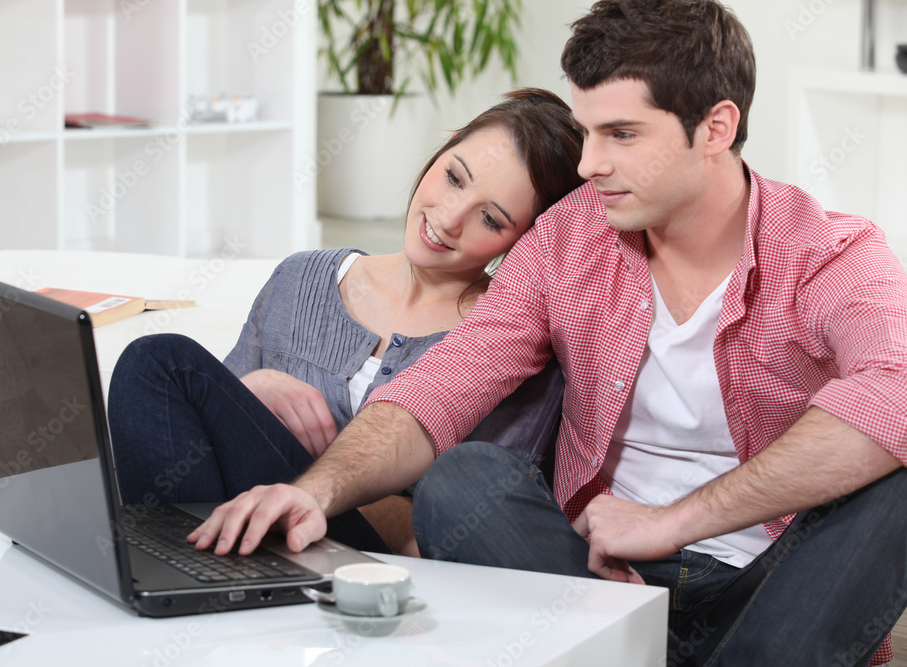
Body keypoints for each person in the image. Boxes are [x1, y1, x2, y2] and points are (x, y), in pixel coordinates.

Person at [188, 1, 907, 665]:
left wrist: (672, 521)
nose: (589, 164)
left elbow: (896, 386)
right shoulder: (570, 238)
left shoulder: (829, 253)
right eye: (587, 130)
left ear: (715, 128)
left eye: (621, 134)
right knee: (463, 478)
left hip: (767, 581)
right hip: (596, 577)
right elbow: (446, 381)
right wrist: (318, 491)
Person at [108, 87, 585, 557]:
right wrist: (252, 389)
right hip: (244, 538)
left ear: (525, 243)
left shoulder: (512, 344)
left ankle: (181, 581)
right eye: (455, 178)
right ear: (445, 147)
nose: (450, 218)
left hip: (370, 567)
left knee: (161, 362)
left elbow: (445, 538)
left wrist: (310, 485)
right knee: (155, 362)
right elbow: (188, 437)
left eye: (492, 220)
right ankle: (179, 581)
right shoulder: (300, 279)